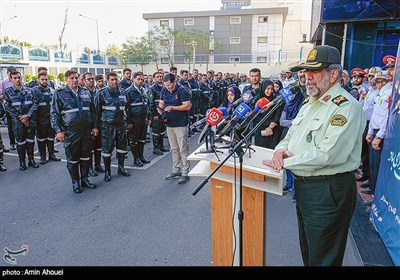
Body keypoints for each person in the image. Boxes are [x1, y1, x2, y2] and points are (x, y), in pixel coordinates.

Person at [263, 45, 366, 266]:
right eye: (305, 72)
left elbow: (329, 154)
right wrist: (280, 150)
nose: (306, 77)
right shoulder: (311, 102)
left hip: (327, 189)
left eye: (314, 72)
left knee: (324, 257)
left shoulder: (346, 107)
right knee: (310, 251)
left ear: (334, 75)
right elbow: (291, 136)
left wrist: (283, 162)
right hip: (307, 187)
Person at [51, 69, 99, 193]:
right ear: (66, 79)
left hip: (86, 131)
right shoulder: (60, 93)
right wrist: (58, 131)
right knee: (73, 159)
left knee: (86, 157)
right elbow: (54, 113)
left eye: (76, 77)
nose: (75, 80)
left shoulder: (85, 92)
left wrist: (94, 126)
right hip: (70, 132)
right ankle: (75, 181)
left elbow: (92, 111)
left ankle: (84, 178)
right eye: (72, 78)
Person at [158, 73, 192, 184]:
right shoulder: (164, 90)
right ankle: (176, 170)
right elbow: (161, 103)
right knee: (174, 148)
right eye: (166, 85)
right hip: (169, 123)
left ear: (174, 82)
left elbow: (187, 105)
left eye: (169, 85)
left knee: (183, 148)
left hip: (181, 123)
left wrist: (173, 108)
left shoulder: (182, 90)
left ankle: (186, 172)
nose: (168, 87)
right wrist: (160, 109)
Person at [96, 72, 130, 182]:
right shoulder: (102, 93)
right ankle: (107, 172)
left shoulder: (124, 92)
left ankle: (121, 168)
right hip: (108, 126)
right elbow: (96, 112)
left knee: (122, 148)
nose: (115, 81)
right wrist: (98, 127)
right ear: (107, 80)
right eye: (112, 79)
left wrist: (128, 122)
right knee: (107, 150)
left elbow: (127, 108)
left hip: (121, 124)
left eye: (116, 79)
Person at [4, 71, 40, 171]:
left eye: (19, 77)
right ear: (11, 79)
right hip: (18, 122)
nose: (17, 80)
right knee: (20, 143)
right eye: (15, 78)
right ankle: (22, 162)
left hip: (30, 120)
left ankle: (31, 160)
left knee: (30, 141)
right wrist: (21, 117)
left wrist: (28, 115)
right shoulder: (8, 92)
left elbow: (35, 103)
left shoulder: (30, 90)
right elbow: (8, 107)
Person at [31, 72, 61, 164]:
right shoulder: (33, 91)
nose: (44, 81)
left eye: (46, 79)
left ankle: (52, 155)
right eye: (42, 79)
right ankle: (43, 157)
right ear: (38, 80)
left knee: (51, 138)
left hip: (51, 118)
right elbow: (32, 106)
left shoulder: (52, 91)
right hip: (40, 119)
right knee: (41, 139)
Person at [126, 72, 150, 167]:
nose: (140, 81)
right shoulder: (129, 91)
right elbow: (126, 108)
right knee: (134, 141)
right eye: (138, 79)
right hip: (135, 119)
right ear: (134, 79)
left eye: (142, 79)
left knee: (142, 140)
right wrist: (129, 121)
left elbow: (146, 104)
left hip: (143, 118)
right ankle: (136, 159)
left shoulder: (143, 90)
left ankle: (141, 156)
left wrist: (148, 118)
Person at [148, 71, 169, 155]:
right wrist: (154, 114)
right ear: (154, 78)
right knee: (156, 131)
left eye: (161, 76)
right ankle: (156, 148)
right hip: (156, 112)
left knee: (162, 130)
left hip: (163, 112)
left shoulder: (164, 87)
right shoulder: (152, 88)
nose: (160, 78)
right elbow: (151, 102)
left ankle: (161, 146)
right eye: (158, 77)